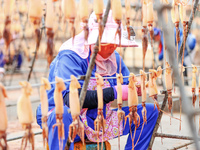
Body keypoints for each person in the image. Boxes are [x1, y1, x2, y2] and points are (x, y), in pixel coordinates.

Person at [36, 11, 158, 150]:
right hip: (70, 119)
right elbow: (71, 99)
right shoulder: (70, 57)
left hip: (99, 119)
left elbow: (125, 83)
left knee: (150, 111)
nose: (114, 46)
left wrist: (134, 88)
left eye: (115, 41)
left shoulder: (114, 58)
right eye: (109, 41)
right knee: (63, 114)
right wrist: (114, 92)